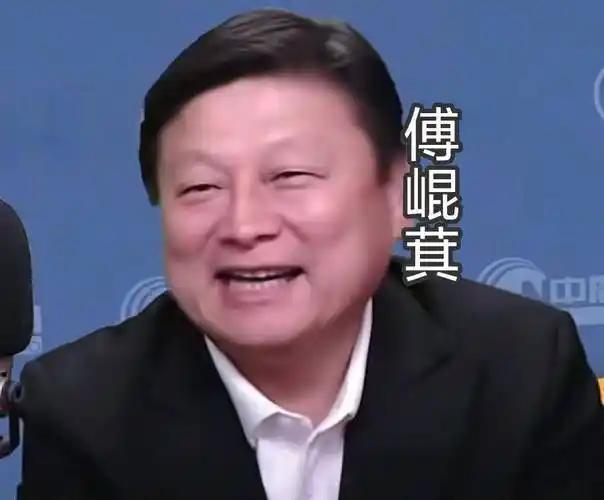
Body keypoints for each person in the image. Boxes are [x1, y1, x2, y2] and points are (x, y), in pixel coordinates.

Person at [17, 8, 603, 500]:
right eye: (201, 187)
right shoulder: (83, 411)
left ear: (400, 196)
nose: (245, 225)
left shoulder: (520, 372)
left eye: (290, 176)